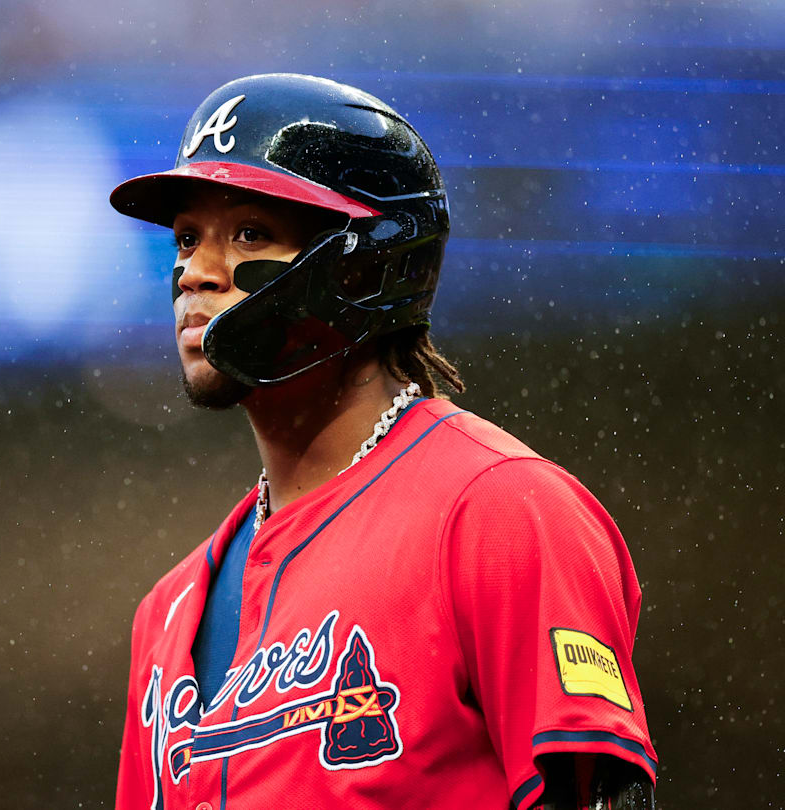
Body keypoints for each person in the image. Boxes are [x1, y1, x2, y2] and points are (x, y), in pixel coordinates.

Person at [107, 73, 657, 809]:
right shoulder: (167, 612)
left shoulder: (501, 513)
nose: (193, 274)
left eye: (249, 233)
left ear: (362, 266)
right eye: (186, 238)